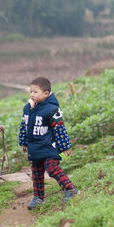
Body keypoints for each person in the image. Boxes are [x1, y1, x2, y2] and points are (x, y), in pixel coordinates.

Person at [19, 77, 78, 210]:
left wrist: (65, 146)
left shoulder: (52, 109)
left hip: (49, 146)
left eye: (35, 92)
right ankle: (39, 197)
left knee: (51, 168)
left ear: (46, 94)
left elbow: (59, 128)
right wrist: (23, 141)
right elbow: (24, 125)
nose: (32, 94)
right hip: (35, 147)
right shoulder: (27, 109)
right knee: (36, 172)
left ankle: (71, 188)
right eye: (31, 91)